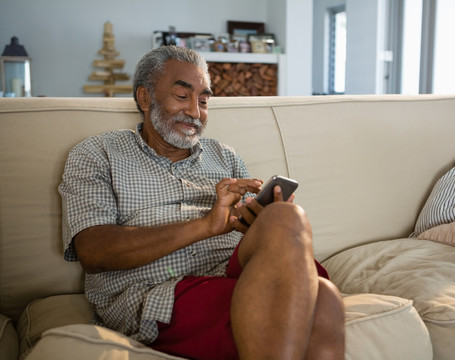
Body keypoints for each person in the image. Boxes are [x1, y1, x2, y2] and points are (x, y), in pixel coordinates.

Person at [59, 46, 345, 360]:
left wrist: (256, 220)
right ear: (144, 98)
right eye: (182, 97)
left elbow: (252, 237)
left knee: (286, 215)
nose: (196, 112)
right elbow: (94, 251)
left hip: (233, 269)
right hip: (162, 288)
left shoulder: (224, 155)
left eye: (204, 101)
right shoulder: (97, 154)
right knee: (325, 300)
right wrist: (207, 225)